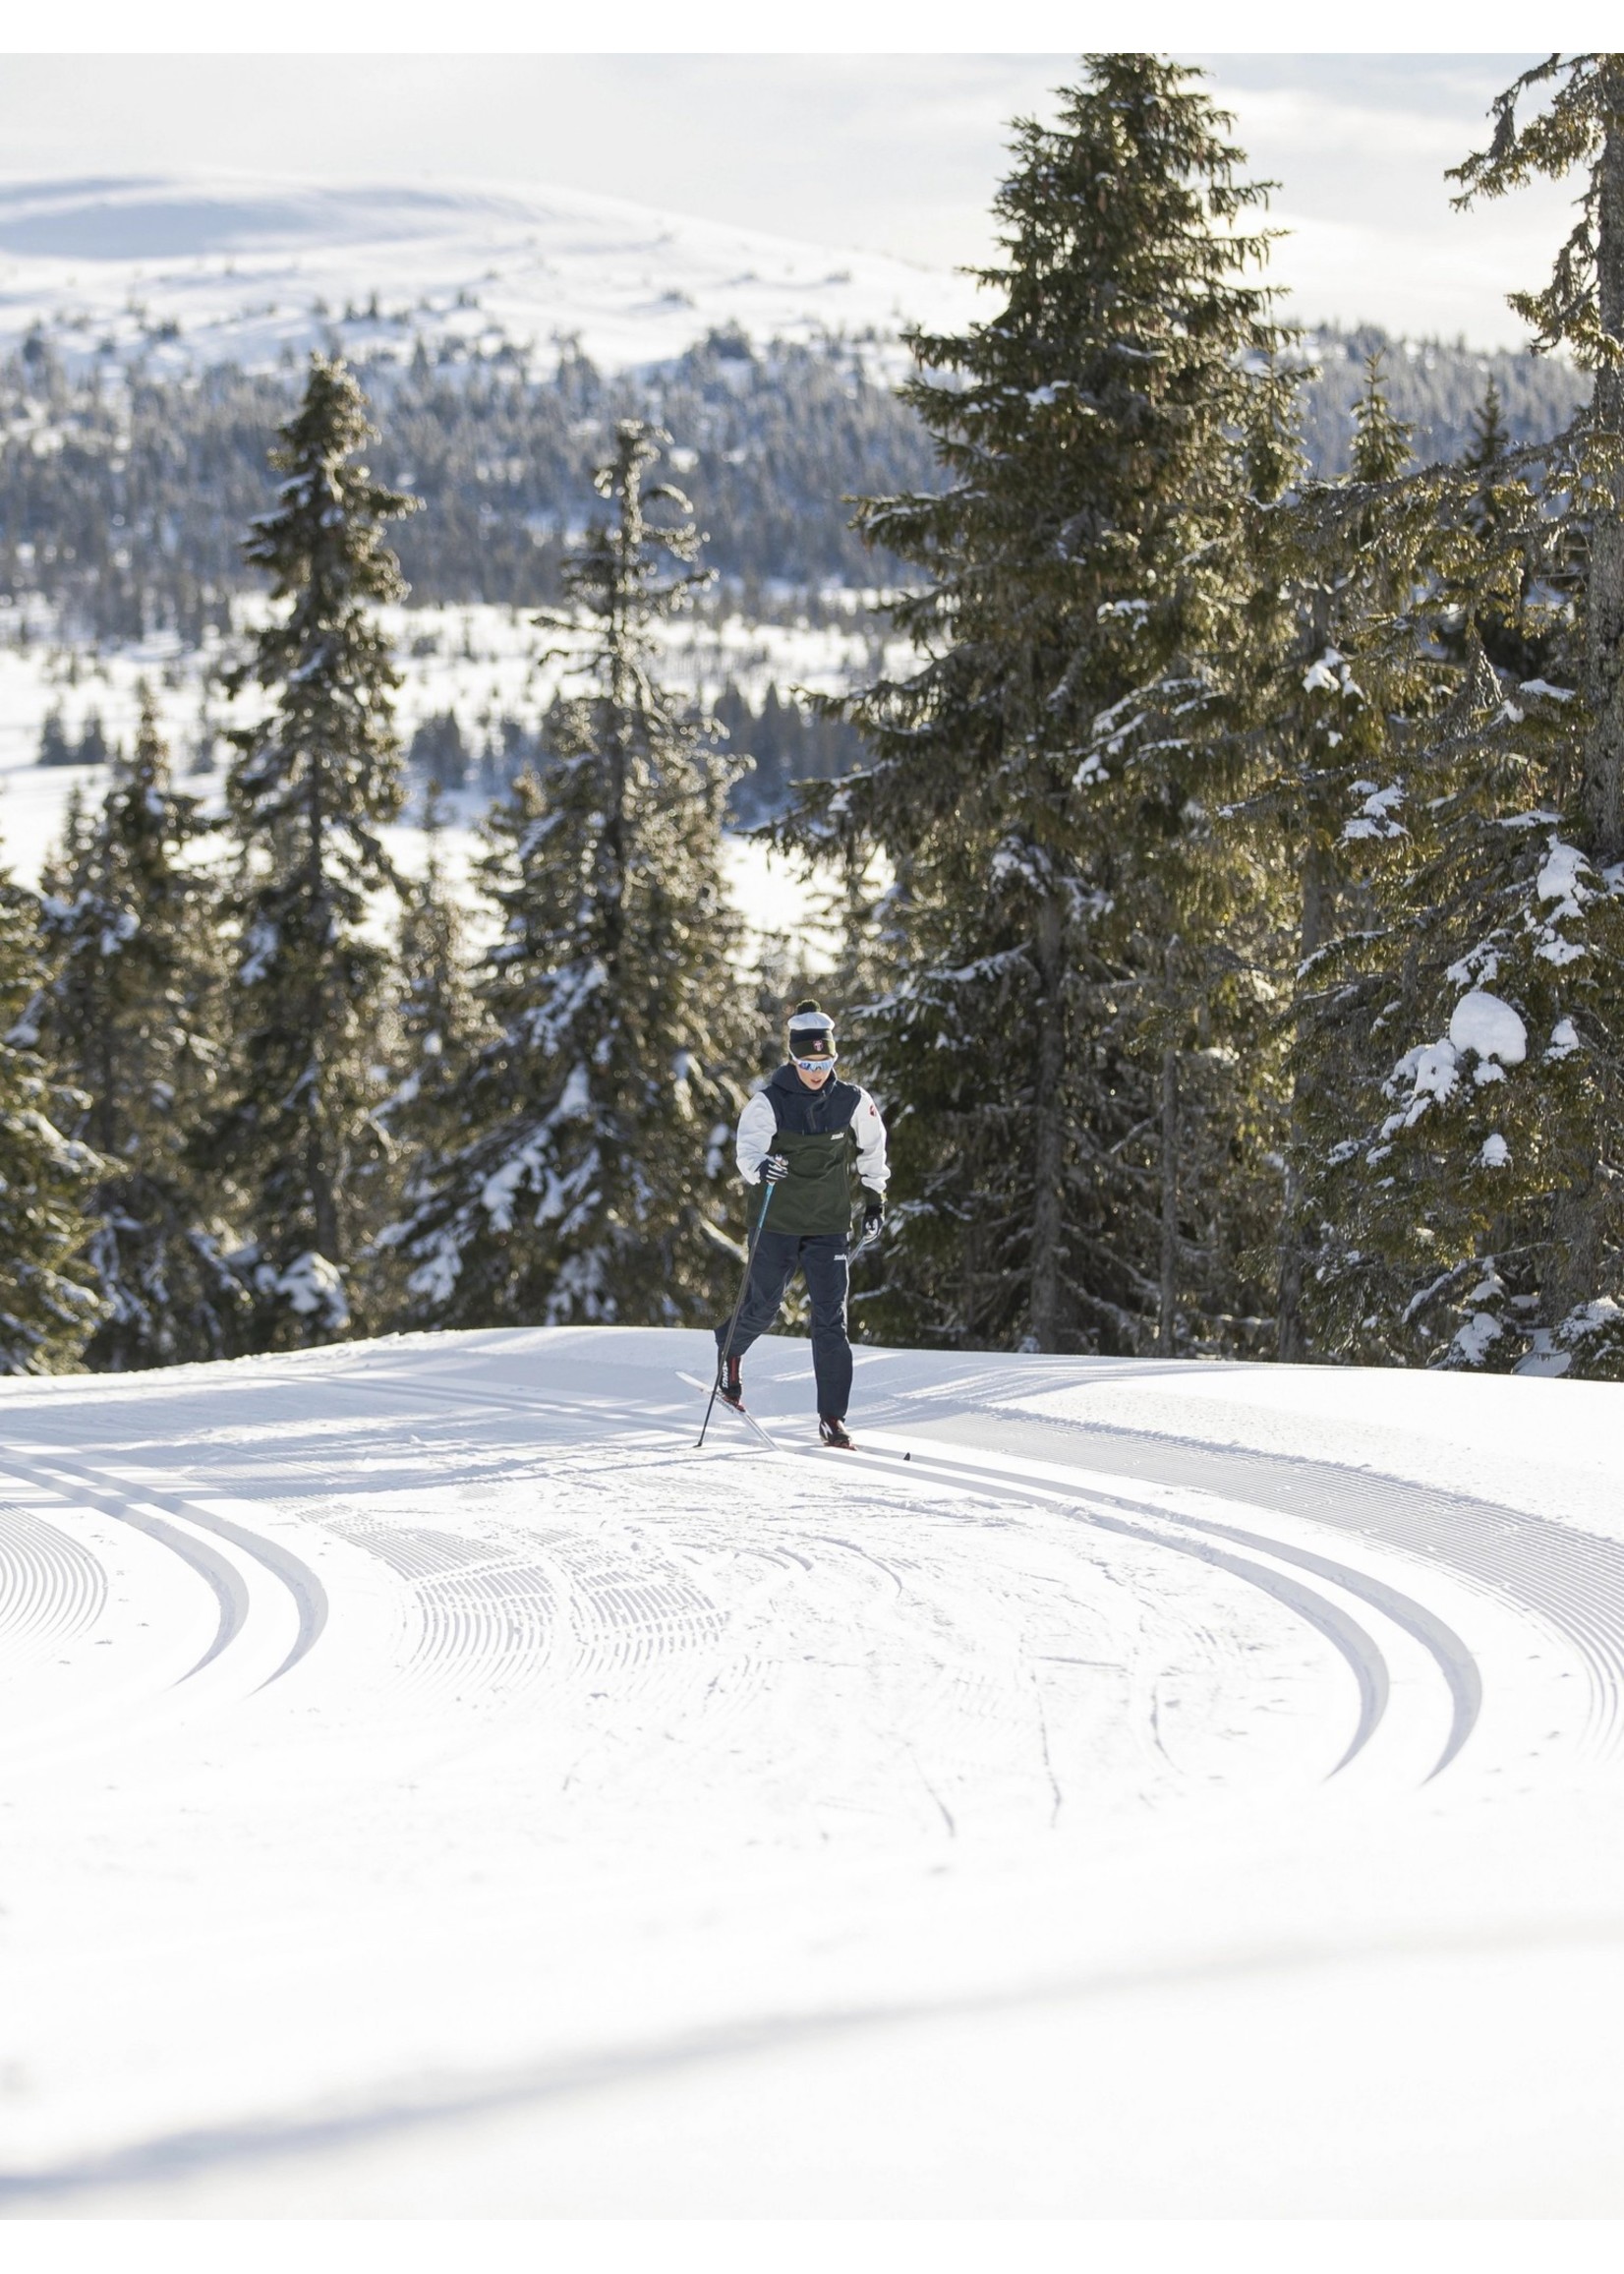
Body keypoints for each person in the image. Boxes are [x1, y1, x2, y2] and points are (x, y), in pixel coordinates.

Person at [715, 999, 888, 1448]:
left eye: (825, 1061)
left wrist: (874, 1200)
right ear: (793, 1059)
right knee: (764, 1307)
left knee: (832, 1320)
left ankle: (833, 1417)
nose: (817, 1070)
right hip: (776, 1220)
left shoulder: (852, 1100)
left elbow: (873, 1149)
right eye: (808, 1062)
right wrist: (762, 1167)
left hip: (829, 1223)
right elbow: (747, 1152)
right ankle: (730, 1352)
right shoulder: (768, 1101)